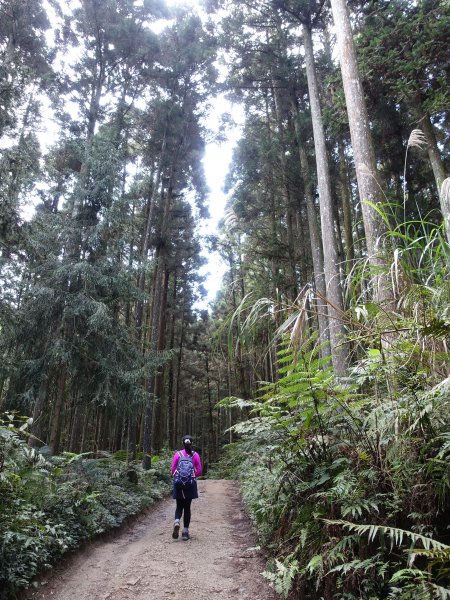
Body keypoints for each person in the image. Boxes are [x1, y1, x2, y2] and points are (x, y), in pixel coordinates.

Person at [171, 435, 202, 540]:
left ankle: (176, 521)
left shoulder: (177, 454)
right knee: (187, 507)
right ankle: (185, 531)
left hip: (178, 484)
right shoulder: (195, 455)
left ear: (183, 443)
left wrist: (178, 478)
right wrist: (192, 477)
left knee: (179, 506)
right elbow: (199, 470)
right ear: (191, 443)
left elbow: (173, 470)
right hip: (190, 484)